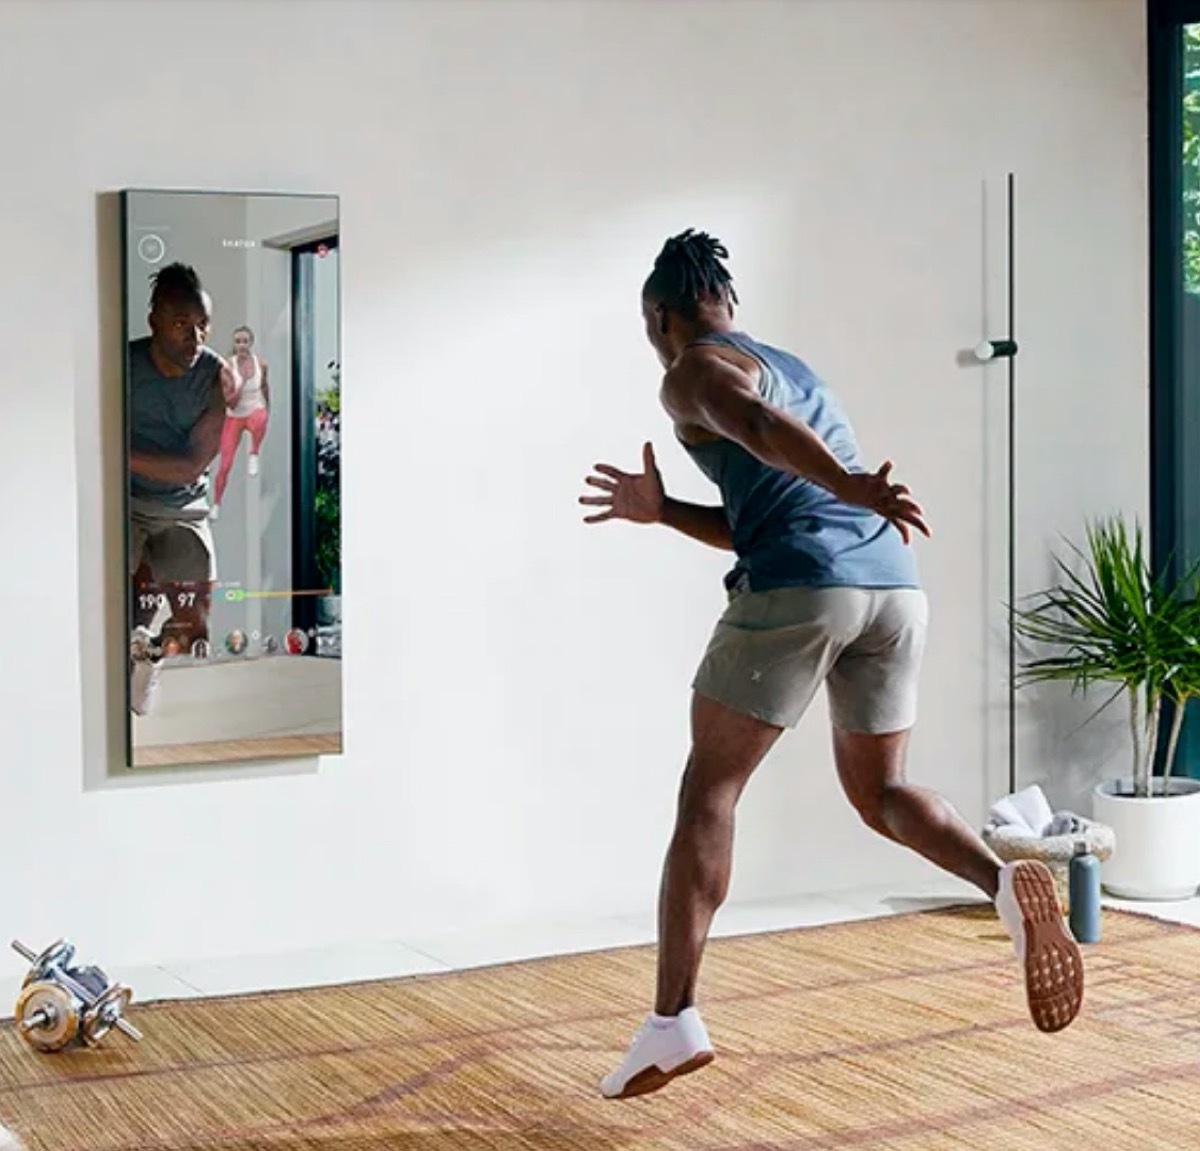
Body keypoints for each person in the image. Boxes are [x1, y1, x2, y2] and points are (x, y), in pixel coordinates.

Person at [579, 229, 1084, 1101]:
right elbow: (766, 508)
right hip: (890, 586)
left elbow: (759, 428)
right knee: (882, 791)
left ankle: (671, 1022)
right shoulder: (788, 364)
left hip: (805, 587)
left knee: (710, 793)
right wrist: (665, 512)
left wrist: (849, 482)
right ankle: (1003, 885)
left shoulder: (690, 371)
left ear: (662, 317)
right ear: (729, 304)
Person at [127, 262, 234, 715]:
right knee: (121, 621)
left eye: (203, 325)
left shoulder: (215, 376)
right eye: (182, 325)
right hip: (124, 503)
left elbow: (191, 465)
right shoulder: (122, 363)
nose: (195, 338)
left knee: (194, 630)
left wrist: (118, 453)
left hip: (183, 507)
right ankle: (134, 650)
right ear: (154, 322)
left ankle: (150, 655)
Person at [210, 324, 271, 518]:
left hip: (254, 411)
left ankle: (254, 452)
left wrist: (268, 406)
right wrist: (241, 384)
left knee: (261, 417)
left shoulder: (261, 364)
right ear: (234, 344)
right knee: (225, 465)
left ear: (250, 343)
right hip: (235, 416)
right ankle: (217, 503)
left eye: (245, 341)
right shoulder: (228, 367)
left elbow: (264, 386)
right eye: (238, 341)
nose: (242, 345)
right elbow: (230, 402)